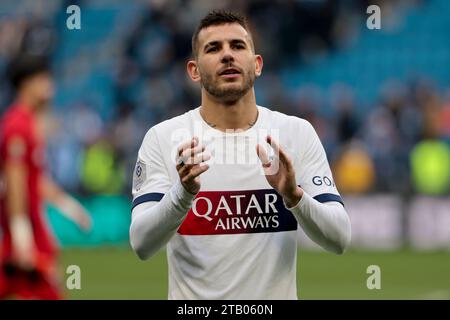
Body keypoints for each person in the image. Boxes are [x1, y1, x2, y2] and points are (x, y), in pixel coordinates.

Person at [130, 11, 351, 299]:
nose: (227, 55)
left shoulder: (295, 134)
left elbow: (339, 239)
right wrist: (182, 194)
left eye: (237, 46)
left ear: (257, 64)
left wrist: (294, 197)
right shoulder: (163, 138)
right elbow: (142, 245)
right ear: (193, 71)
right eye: (213, 48)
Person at [0, 54, 91, 299]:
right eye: (43, 78)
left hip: (26, 229)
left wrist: (70, 207)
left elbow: (34, 180)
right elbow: (16, 184)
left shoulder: (29, 123)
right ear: (25, 84)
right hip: (24, 230)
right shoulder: (17, 126)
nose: (50, 85)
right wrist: (22, 239)